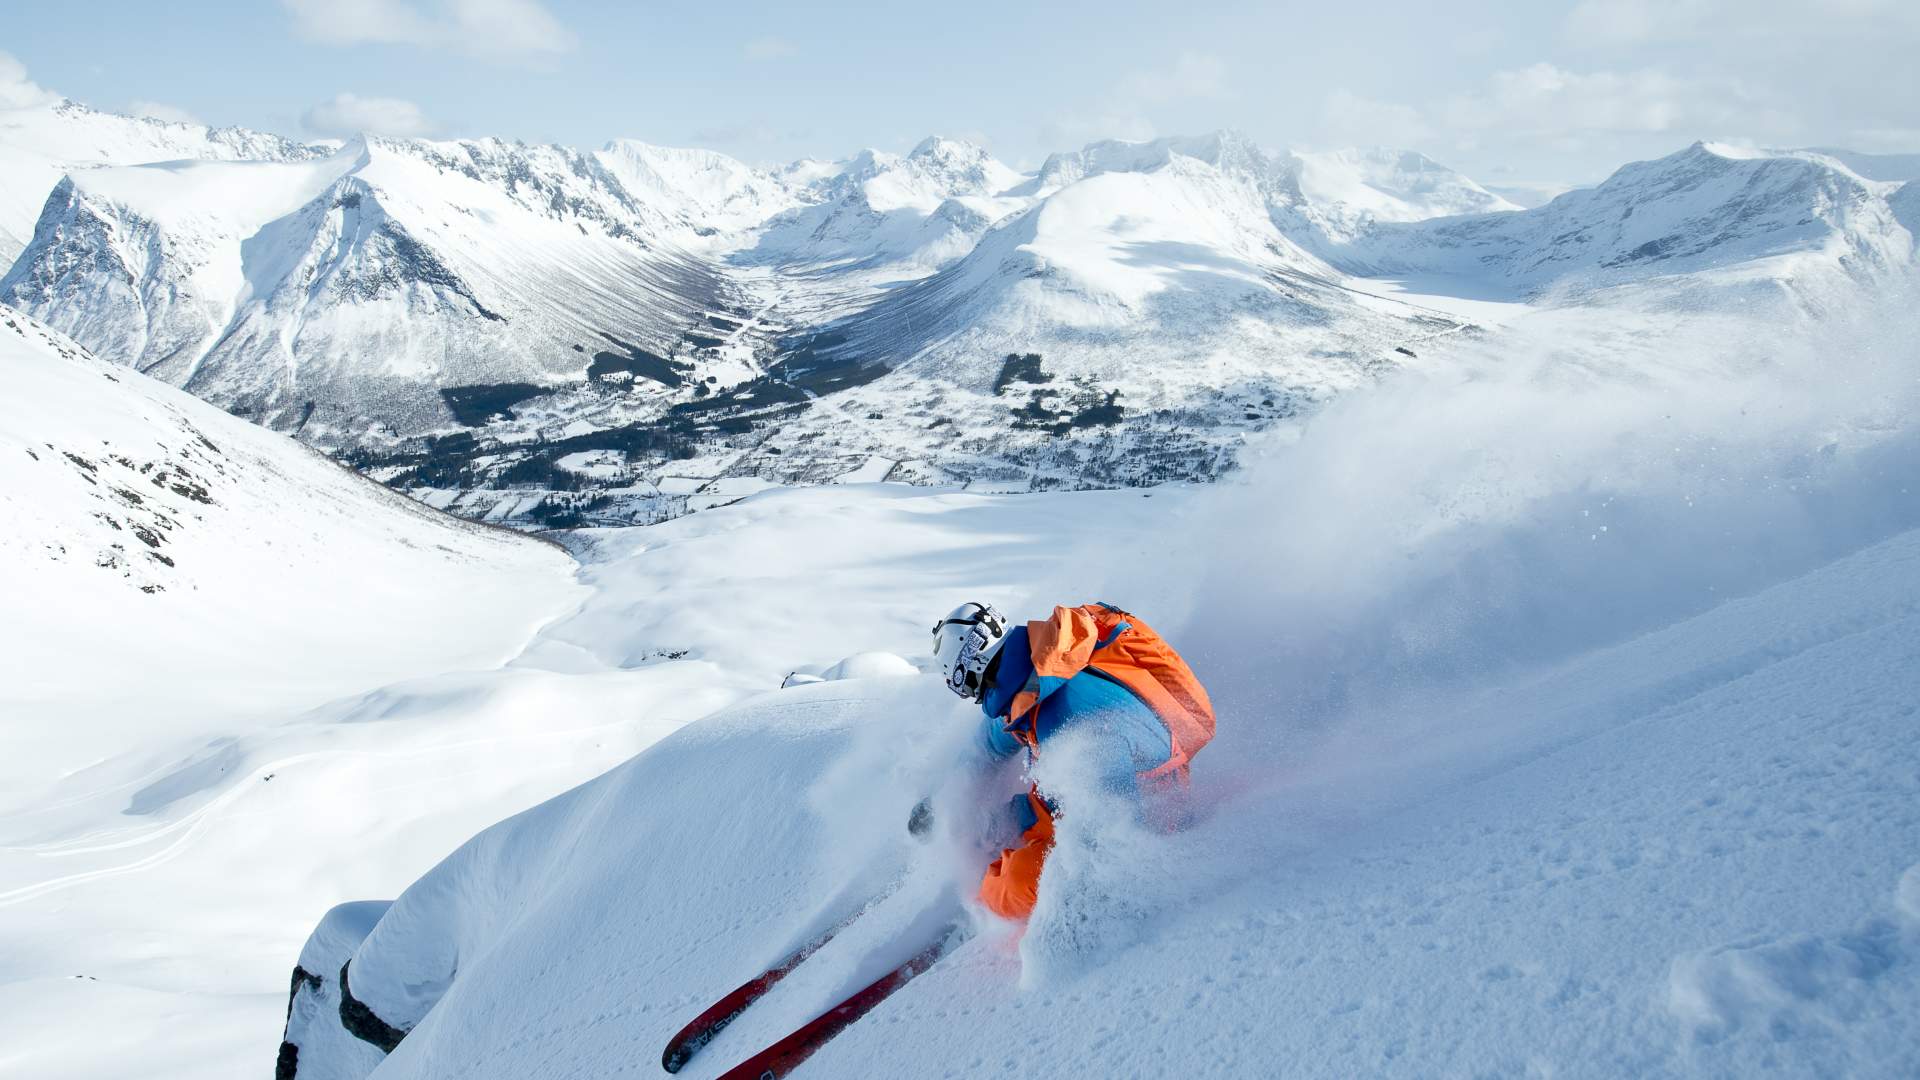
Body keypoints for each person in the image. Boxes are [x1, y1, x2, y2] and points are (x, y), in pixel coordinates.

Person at [924, 601, 1215, 921]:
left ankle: (980, 893)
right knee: (1001, 820)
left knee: (1018, 883)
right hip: (1092, 794)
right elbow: (990, 742)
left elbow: (1114, 841)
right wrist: (948, 799)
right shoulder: (1045, 668)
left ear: (974, 666)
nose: (971, 696)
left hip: (1148, 810)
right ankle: (989, 836)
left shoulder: (1070, 718)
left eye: (962, 685)